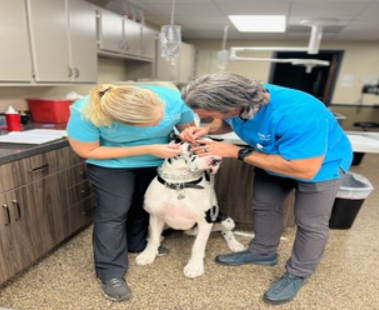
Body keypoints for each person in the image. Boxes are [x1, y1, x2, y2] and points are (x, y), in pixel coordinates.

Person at [179, 73, 353, 304]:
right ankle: (263, 252)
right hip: (270, 156)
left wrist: (234, 152)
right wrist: (207, 130)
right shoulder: (239, 99)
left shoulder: (299, 113)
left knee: (310, 222)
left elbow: (304, 169)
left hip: (319, 166)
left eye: (208, 115)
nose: (205, 119)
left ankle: (297, 273)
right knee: (264, 204)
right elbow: (224, 122)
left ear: (233, 106)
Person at [66, 82, 195, 301]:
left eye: (160, 117)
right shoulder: (86, 111)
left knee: (143, 204)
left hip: (156, 161)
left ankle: (136, 244)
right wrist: (147, 148)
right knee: (113, 213)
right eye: (149, 124)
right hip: (111, 164)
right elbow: (86, 149)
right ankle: (111, 273)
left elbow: (186, 127)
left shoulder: (172, 98)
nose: (158, 124)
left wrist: (189, 134)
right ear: (124, 123)